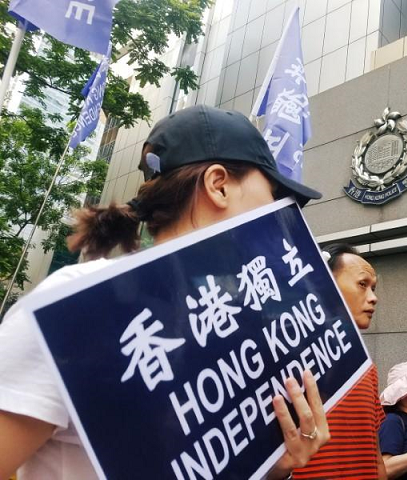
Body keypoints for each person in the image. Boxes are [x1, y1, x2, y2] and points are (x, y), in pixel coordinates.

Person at [0, 105, 331, 480]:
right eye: (273, 193)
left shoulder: (229, 322)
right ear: (218, 185)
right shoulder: (79, 304)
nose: (281, 212)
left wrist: (272, 467)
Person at [293, 243, 386, 479]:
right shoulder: (288, 365)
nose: (374, 298)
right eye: (362, 284)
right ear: (325, 284)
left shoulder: (367, 369)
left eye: (373, 288)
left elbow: (375, 456)